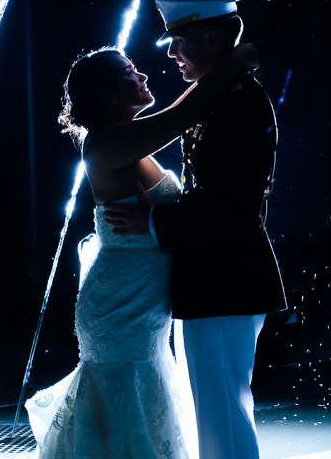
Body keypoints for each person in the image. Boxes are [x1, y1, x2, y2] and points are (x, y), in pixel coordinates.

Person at [25, 41, 258, 459]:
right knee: (127, 411)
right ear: (109, 94)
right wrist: (233, 61)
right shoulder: (104, 144)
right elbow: (184, 115)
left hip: (142, 304)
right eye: (130, 71)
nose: (144, 75)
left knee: (141, 407)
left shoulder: (127, 141)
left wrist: (161, 219)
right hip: (120, 307)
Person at [104, 0, 287, 459]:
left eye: (178, 40)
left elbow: (232, 207)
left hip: (227, 277)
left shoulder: (239, 102)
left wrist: (154, 220)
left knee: (221, 412)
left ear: (210, 38)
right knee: (213, 407)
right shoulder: (223, 97)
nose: (170, 53)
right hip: (217, 276)